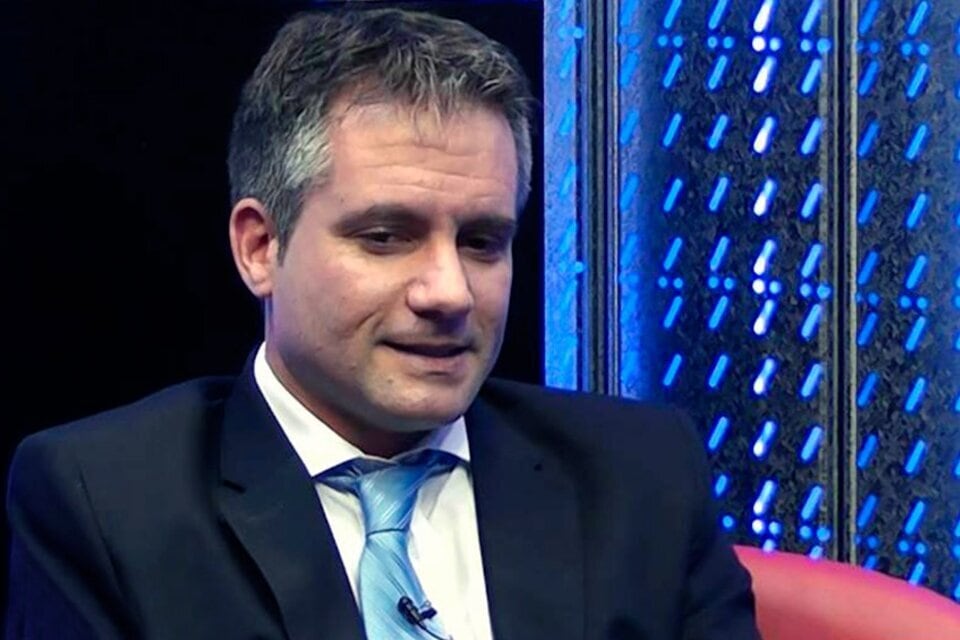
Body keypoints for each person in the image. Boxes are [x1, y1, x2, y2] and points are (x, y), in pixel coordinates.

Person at [5, 8, 759, 640]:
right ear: (261, 248)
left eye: (481, 241)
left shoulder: (642, 477)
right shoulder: (106, 504)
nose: (449, 292)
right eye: (386, 237)